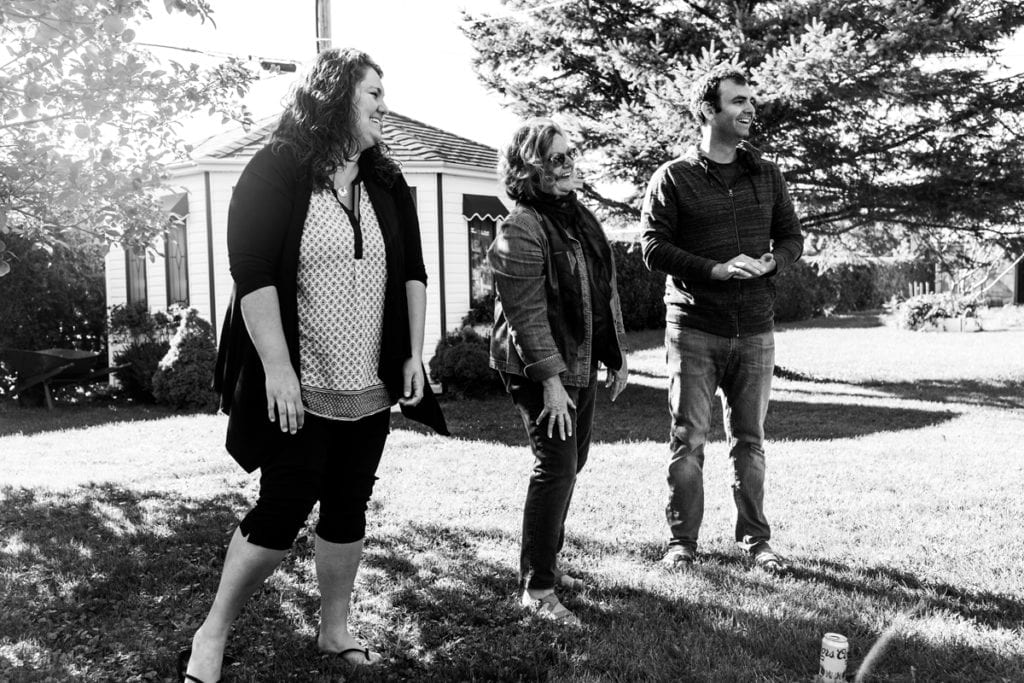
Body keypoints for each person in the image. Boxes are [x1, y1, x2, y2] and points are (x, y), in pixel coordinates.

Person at [180, 48, 447, 683]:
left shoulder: (387, 179)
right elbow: (253, 272)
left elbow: (412, 270)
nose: (385, 105)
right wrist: (277, 370)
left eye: (385, 93)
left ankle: (335, 628)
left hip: (370, 380)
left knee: (350, 503)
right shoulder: (275, 169)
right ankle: (211, 633)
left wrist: (413, 353)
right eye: (373, 93)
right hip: (299, 378)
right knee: (285, 501)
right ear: (334, 96)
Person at [639, 66, 804, 572]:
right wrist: (714, 269)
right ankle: (681, 543)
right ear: (708, 111)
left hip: (755, 329)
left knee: (750, 442)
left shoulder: (767, 174)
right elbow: (652, 247)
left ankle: (756, 540)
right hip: (693, 328)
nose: (749, 109)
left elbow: (792, 238)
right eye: (737, 101)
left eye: (750, 100)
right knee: (688, 439)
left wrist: (772, 262)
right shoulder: (673, 177)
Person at [488, 118, 629, 626]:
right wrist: (550, 381)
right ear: (530, 170)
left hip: (580, 358)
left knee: (574, 461)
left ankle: (544, 561)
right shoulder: (521, 226)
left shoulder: (579, 219)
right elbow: (526, 314)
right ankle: (538, 589)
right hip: (537, 366)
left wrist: (615, 356)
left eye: (572, 155)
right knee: (556, 466)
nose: (571, 165)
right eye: (558, 159)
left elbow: (602, 291)